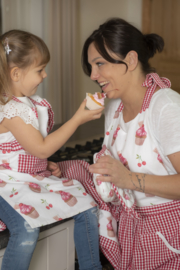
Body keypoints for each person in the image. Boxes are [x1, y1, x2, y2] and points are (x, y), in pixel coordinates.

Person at [57, 18, 180, 269]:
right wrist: (61, 170)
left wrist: (128, 179)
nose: (93, 75)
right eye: (91, 66)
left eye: (100, 64)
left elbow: (125, 179)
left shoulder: (166, 108)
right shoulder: (113, 107)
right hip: (132, 231)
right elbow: (112, 174)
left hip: (169, 237)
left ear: (131, 60)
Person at [0, 30, 103, 270]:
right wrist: (77, 118)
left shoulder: (27, 104)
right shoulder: (11, 110)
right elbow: (41, 148)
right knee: (26, 231)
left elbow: (26, 150)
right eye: (40, 70)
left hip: (28, 177)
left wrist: (42, 164)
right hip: (7, 183)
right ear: (16, 74)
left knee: (86, 205)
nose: (45, 75)